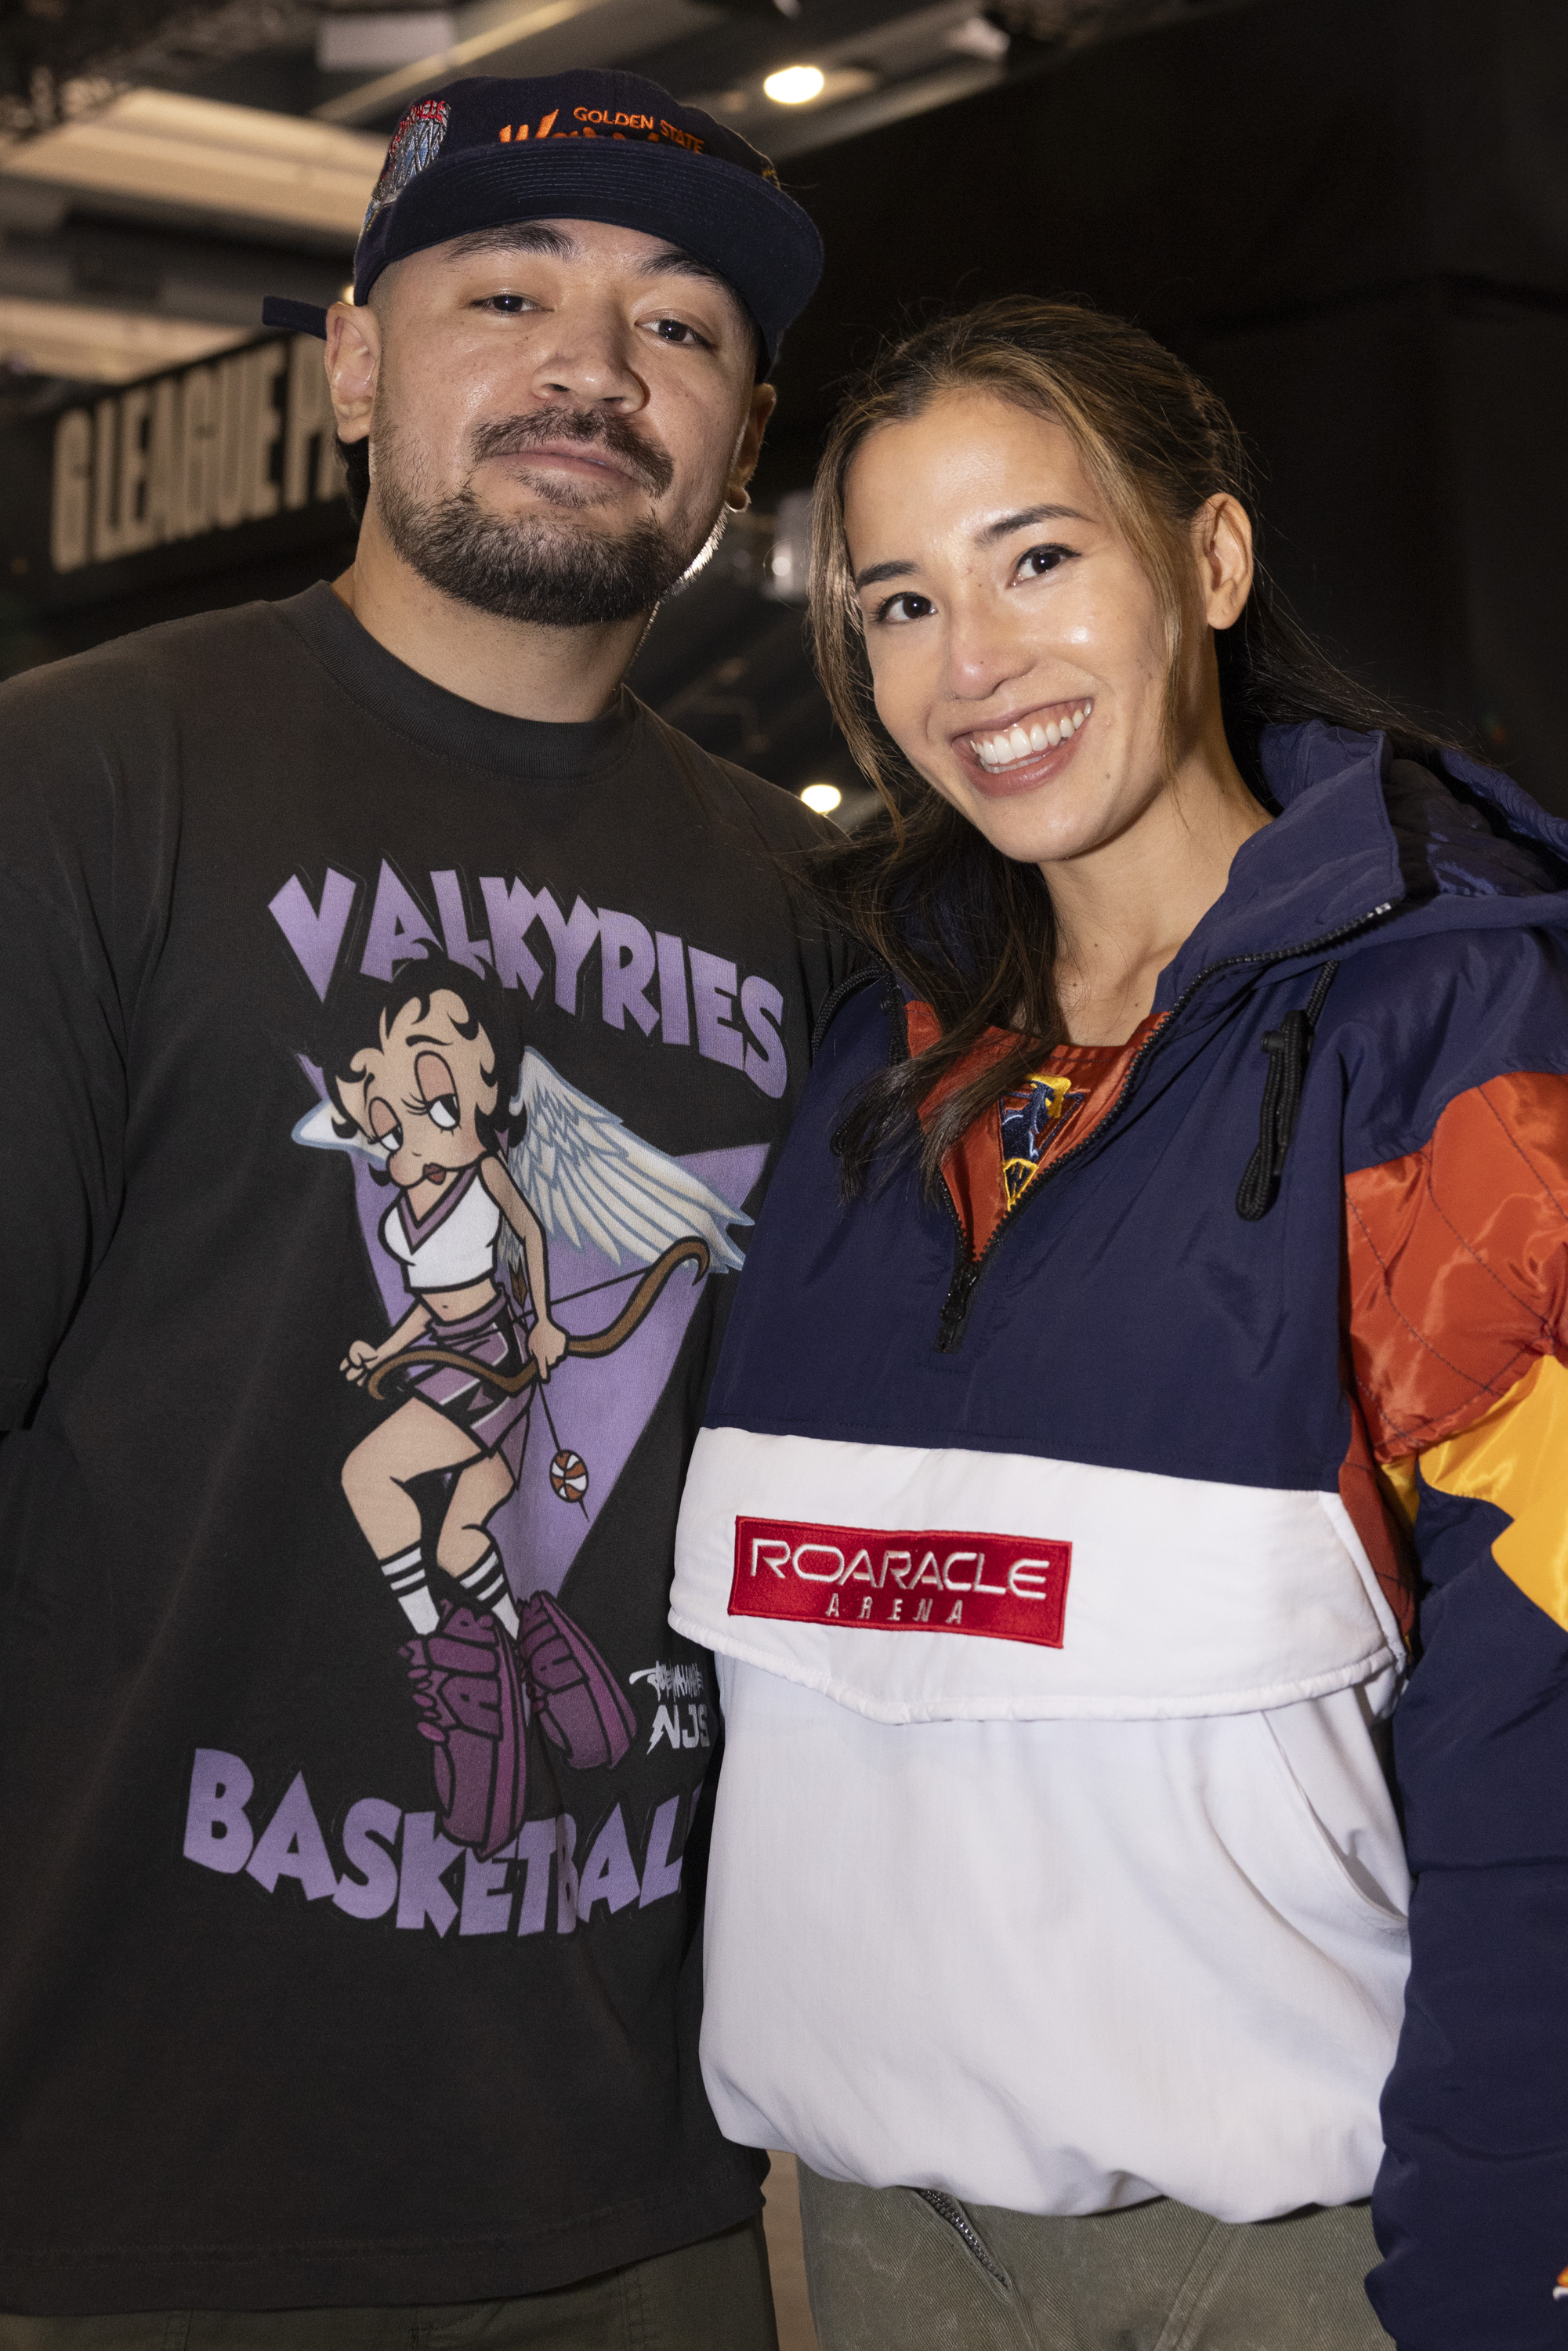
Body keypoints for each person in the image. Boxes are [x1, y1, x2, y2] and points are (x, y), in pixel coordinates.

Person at [0, 63, 847, 2347]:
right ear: (357, 367)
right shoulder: (85, 780)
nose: (591, 367)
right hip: (117, 2198)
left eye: (680, 332)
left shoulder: (819, 904)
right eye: (506, 293)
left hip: (645, 2203)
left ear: (742, 442)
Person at [669, 296, 1568, 2349]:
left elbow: (1540, 1725)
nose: (969, 665)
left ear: (1213, 562)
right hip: (872, 2247)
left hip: (1286, 2267)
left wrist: (1503, 2266)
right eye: (896, 602)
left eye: (1037, 559)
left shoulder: (1450, 1041)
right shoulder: (863, 1066)